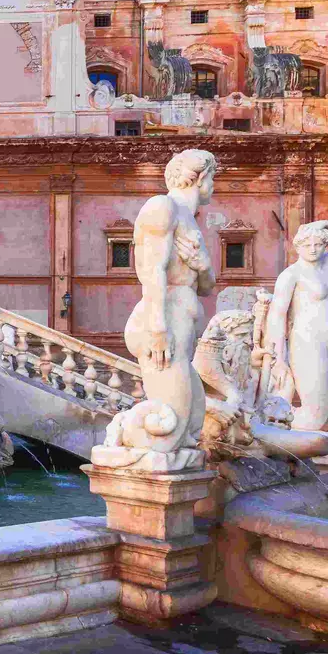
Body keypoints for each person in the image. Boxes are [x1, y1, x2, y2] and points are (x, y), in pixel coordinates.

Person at [123, 149, 218, 446]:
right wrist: (159, 330)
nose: (214, 185)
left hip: (181, 328)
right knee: (169, 432)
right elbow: (152, 271)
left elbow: (205, 287)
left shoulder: (189, 218)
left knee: (191, 428)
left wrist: (204, 265)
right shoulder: (163, 206)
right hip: (162, 327)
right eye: (212, 177)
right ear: (200, 177)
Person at [264, 220, 328, 432]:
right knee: (314, 420)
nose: (313, 249)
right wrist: (278, 360)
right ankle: (272, 422)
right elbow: (276, 316)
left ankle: (326, 439)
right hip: (308, 345)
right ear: (298, 246)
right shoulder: (291, 274)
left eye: (318, 244)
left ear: (325, 245)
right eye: (307, 245)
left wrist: (326, 223)